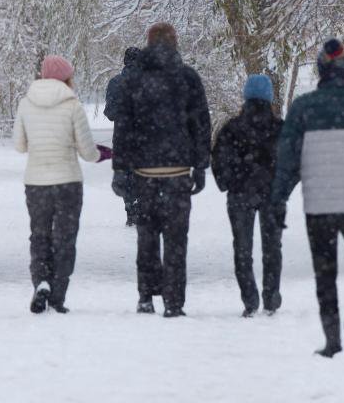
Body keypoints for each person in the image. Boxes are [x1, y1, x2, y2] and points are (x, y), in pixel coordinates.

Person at [271, 39, 344, 357]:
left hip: (319, 206)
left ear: (321, 70)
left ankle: (332, 340)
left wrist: (278, 199)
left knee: (325, 275)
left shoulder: (303, 108)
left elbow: (287, 160)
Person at [111, 22, 211, 318]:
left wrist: (120, 168)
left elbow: (124, 128)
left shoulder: (135, 80)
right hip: (178, 171)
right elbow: (201, 125)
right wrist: (201, 165)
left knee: (147, 235)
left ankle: (146, 295)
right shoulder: (188, 78)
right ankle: (174, 300)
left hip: (145, 173)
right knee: (177, 238)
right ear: (175, 43)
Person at [12, 55, 101, 314]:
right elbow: (88, 151)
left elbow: (19, 145)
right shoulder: (72, 104)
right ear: (66, 78)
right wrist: (101, 154)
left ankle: (41, 282)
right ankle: (58, 295)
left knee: (40, 235)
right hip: (68, 183)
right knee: (65, 238)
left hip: (36, 183)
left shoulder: (26, 103)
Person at [211, 74, 285, 318]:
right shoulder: (280, 128)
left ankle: (250, 300)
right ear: (269, 97)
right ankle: (271, 298)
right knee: (272, 247)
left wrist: (228, 183)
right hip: (272, 194)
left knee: (242, 247)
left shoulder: (232, 128)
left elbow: (218, 160)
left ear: (245, 96)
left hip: (240, 194)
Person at [103, 46, 140, 226]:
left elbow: (110, 113)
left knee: (127, 175)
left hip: (123, 137)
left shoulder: (115, 83)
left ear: (125, 62)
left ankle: (130, 210)